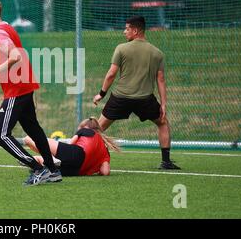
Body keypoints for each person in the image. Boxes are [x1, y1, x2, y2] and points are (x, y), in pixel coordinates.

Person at [0, 0, 62, 186]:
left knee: (0, 134)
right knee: (33, 129)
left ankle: (38, 168)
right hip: (24, 86)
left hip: (17, 89)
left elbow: (15, 56)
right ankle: (52, 170)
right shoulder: (8, 27)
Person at [93, 16, 180, 170]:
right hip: (145, 100)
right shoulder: (157, 53)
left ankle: (84, 156)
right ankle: (166, 162)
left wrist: (101, 94)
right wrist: (164, 104)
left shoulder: (121, 48)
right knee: (163, 123)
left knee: (96, 129)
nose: (124, 31)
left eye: (127, 28)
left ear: (135, 30)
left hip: (120, 98)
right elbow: (161, 80)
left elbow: (111, 74)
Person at [24, 117, 121, 176]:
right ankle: (36, 159)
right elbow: (105, 172)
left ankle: (50, 158)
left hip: (75, 154)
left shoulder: (86, 131)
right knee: (45, 167)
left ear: (85, 127)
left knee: (28, 139)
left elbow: (70, 143)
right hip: (75, 171)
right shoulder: (105, 152)